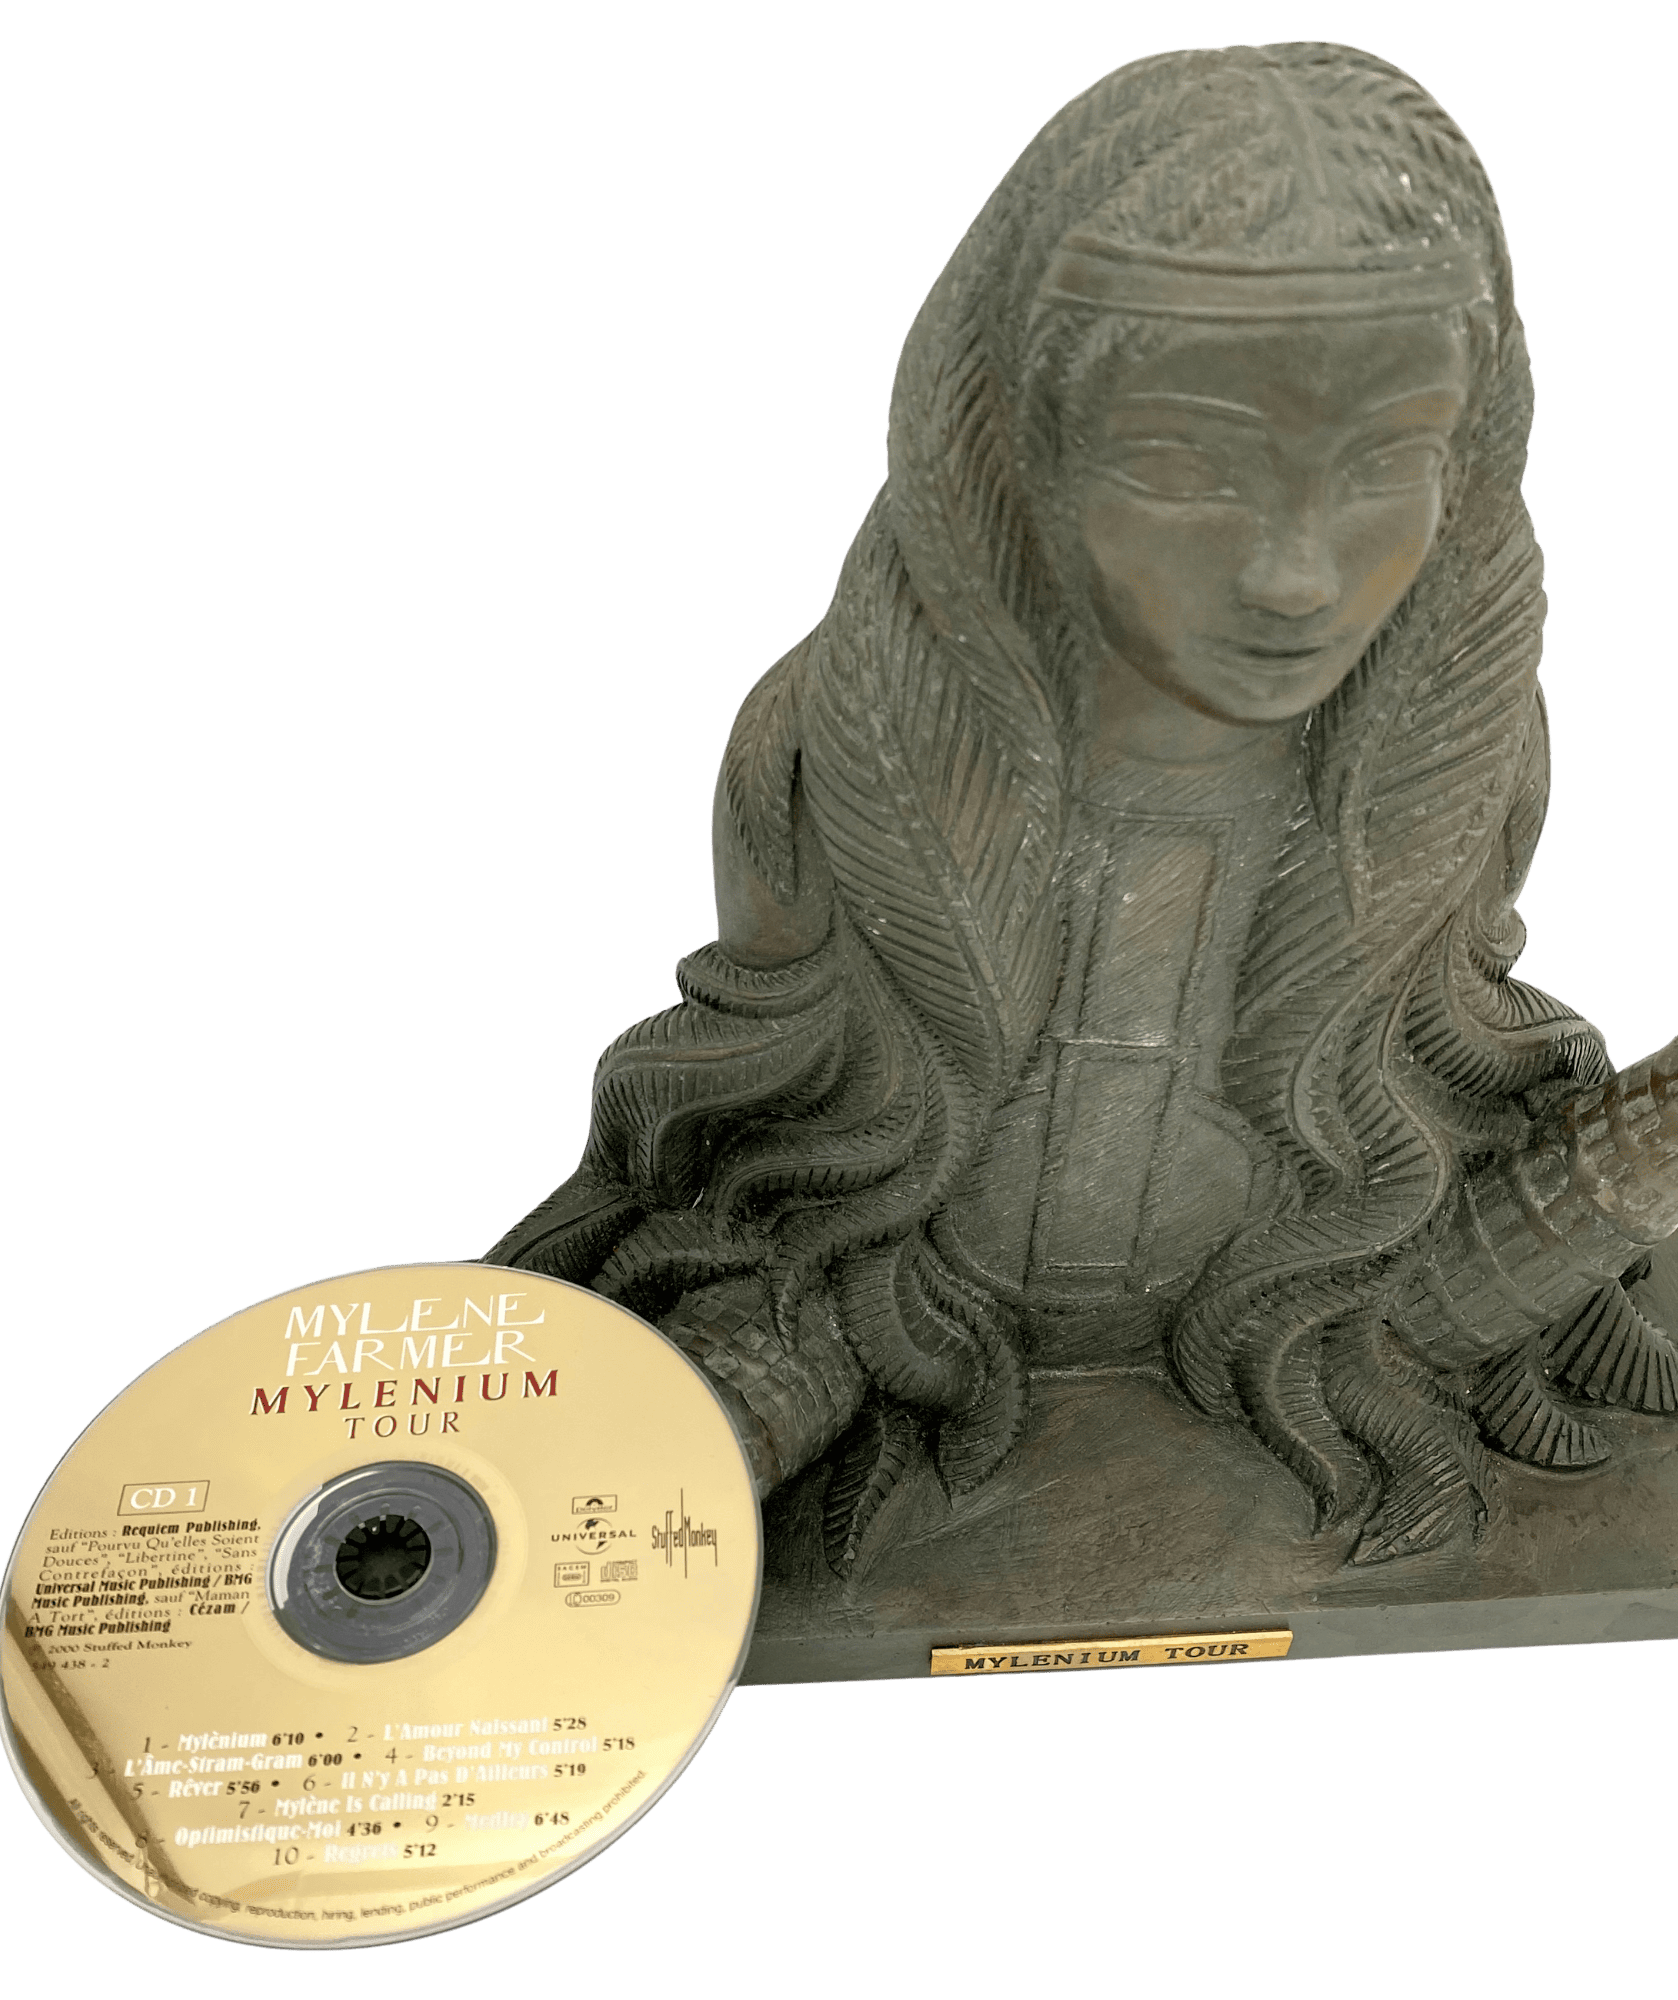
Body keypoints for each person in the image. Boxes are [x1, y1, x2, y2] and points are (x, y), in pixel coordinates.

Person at [489, 41, 1677, 1587]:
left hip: (1298, 1349)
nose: (1298, 576)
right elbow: (778, 1136)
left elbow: (1431, 1108)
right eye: (1190, 462)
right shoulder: (840, 748)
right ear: (1022, 440)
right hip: (906, 1332)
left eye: (1388, 459)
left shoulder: (1463, 764)